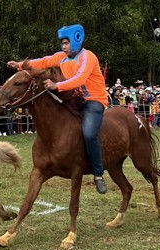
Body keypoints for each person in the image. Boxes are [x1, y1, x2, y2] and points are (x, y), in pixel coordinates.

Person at [8, 23, 110, 193]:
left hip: (94, 101)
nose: (63, 46)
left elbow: (80, 79)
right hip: (76, 99)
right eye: (62, 43)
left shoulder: (88, 57)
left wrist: (57, 85)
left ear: (76, 40)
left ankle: (98, 174)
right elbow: (43, 61)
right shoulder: (62, 57)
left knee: (89, 133)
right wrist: (19, 65)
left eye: (66, 43)